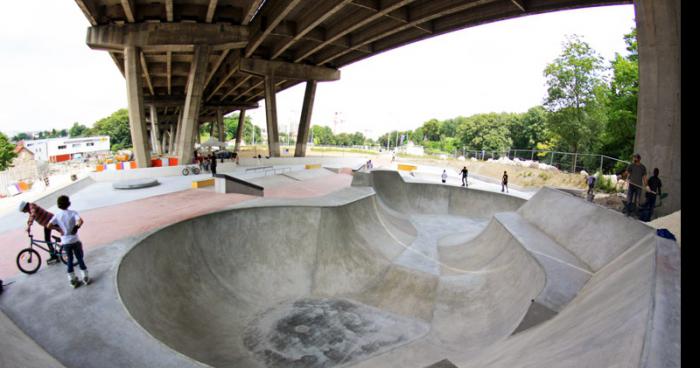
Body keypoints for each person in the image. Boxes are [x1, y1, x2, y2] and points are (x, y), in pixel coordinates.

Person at [48, 195, 89, 288]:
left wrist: (58, 229)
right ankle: (85, 277)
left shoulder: (57, 215)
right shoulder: (73, 213)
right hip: (75, 240)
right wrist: (76, 227)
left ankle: (72, 280)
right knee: (79, 258)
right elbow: (80, 221)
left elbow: (48, 225)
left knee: (69, 260)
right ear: (68, 203)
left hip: (65, 242)